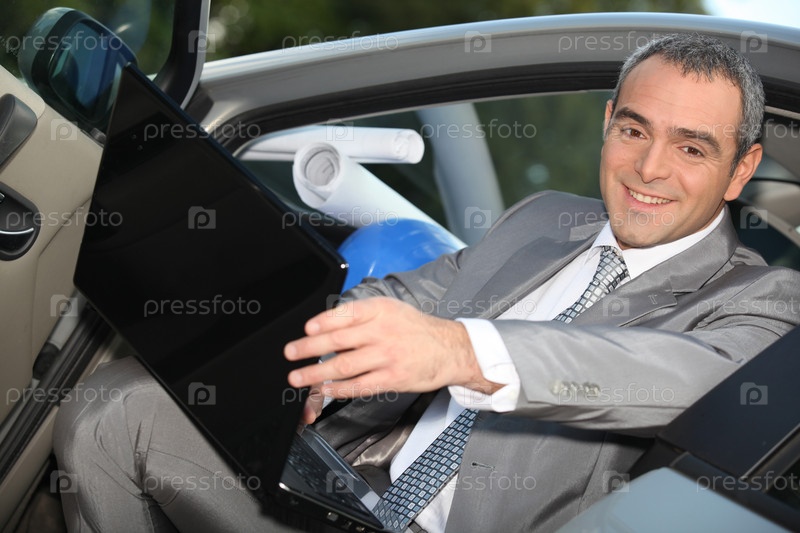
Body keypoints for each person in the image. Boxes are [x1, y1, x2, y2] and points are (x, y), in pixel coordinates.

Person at [54, 33, 800, 532]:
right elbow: (406, 299)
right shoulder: (545, 218)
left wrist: (460, 351)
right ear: (608, 122)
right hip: (345, 491)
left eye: (692, 148)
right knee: (114, 408)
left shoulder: (760, 301)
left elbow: (673, 376)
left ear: (741, 169)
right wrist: (311, 355)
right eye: (635, 130)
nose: (650, 168)